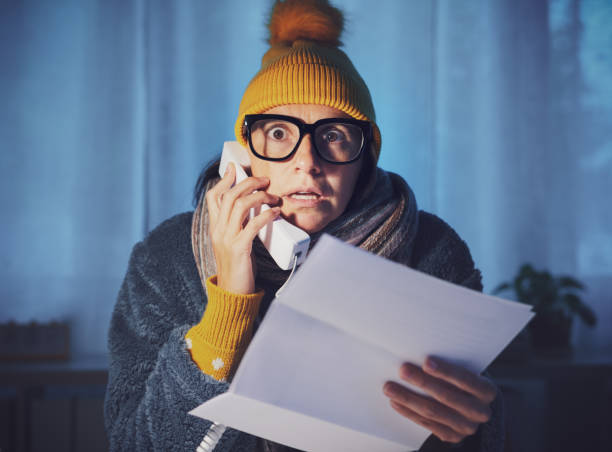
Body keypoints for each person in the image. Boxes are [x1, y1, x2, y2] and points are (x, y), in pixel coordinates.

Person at [104, 1, 504, 451]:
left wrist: (476, 425)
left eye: (333, 135)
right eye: (278, 133)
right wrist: (228, 307)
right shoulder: (165, 257)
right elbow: (133, 442)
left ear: (365, 155)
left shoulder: (433, 250)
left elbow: (479, 431)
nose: (307, 163)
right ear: (244, 153)